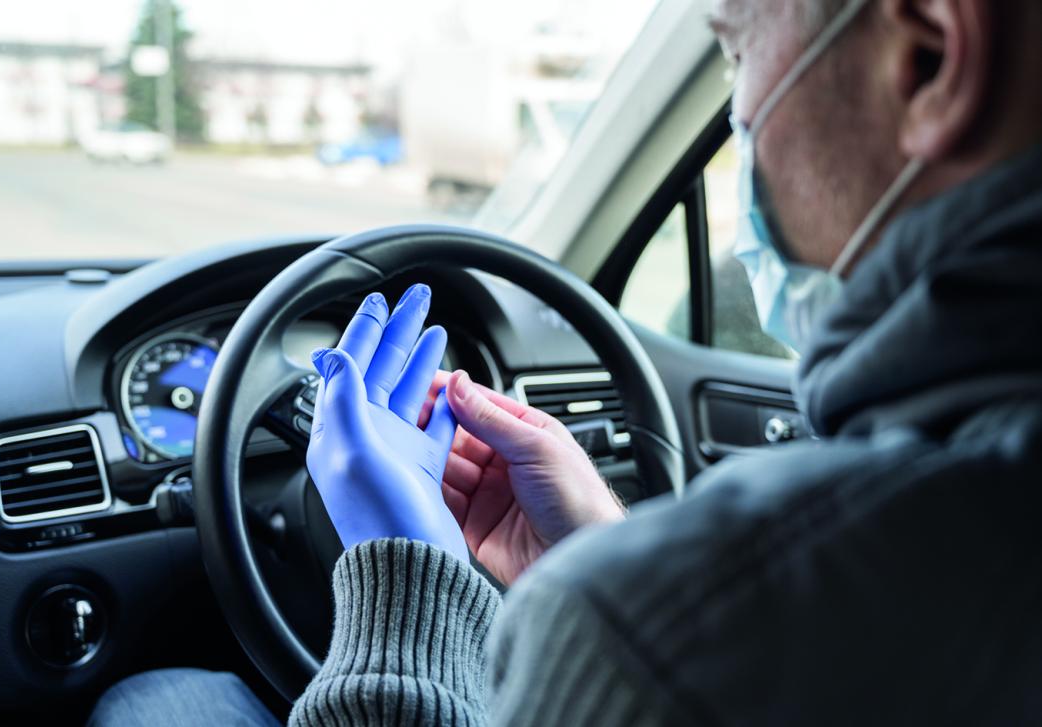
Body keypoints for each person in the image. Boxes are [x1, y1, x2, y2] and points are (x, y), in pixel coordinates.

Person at [90, 0, 1042, 724]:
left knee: (162, 699)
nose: (739, 110)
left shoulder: (651, 634)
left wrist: (410, 581)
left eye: (736, 52)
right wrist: (600, 548)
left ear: (927, 59)